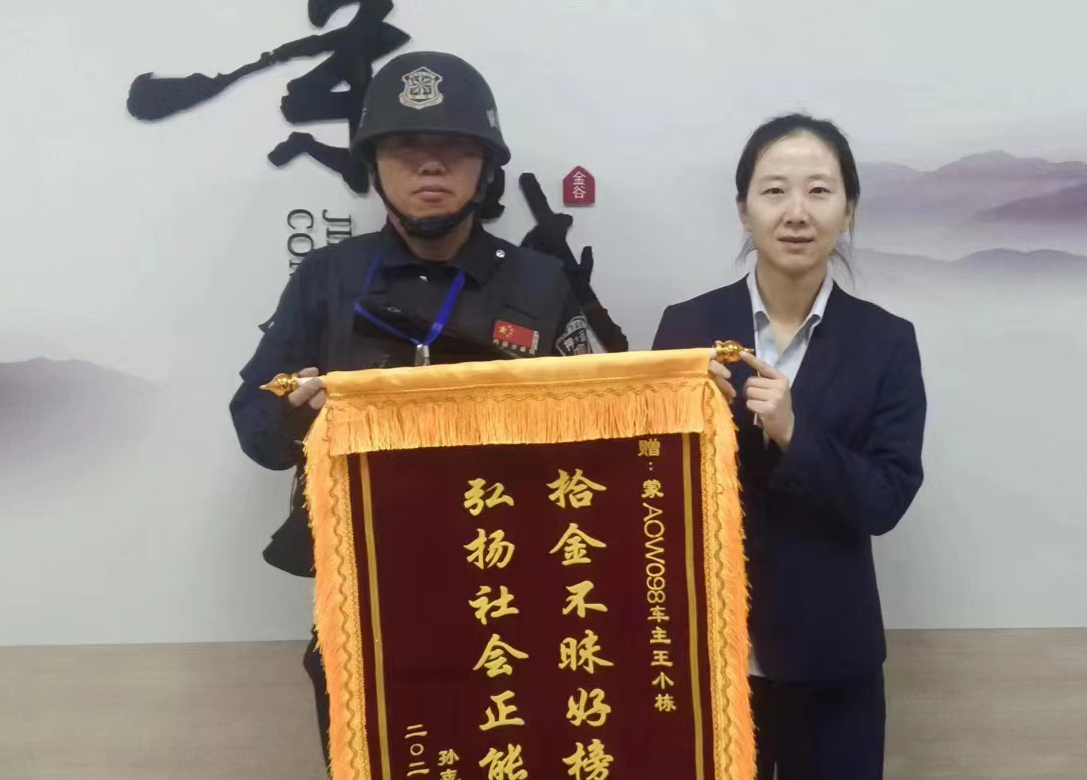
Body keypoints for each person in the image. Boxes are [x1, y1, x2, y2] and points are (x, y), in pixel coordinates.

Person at [228, 50, 597, 769]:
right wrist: (295, 411)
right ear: (372, 166)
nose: (431, 166)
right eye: (405, 148)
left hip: (512, 592)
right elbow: (255, 425)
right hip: (364, 594)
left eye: (454, 148)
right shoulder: (328, 277)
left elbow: (601, 427)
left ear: (485, 169)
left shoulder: (541, 282)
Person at [652, 114, 927, 780]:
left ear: (848, 210)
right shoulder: (686, 327)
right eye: (774, 191)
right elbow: (650, 488)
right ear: (743, 209)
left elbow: (885, 500)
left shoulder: (886, 341)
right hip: (705, 649)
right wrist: (680, 411)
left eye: (819, 191)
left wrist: (795, 434)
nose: (796, 212)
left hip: (831, 657)